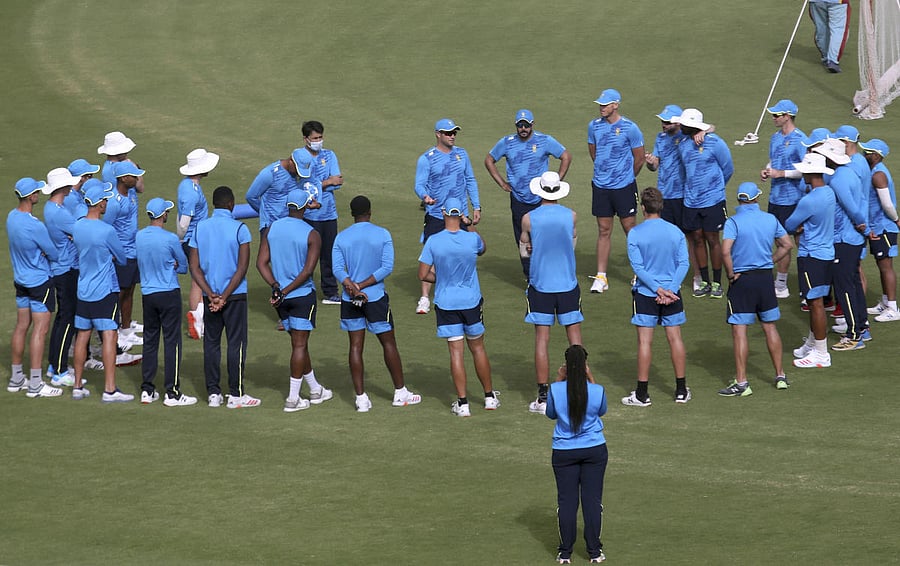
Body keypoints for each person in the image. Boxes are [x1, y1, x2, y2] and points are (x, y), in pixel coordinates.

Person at [332, 195, 421, 412]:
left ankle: (361, 399)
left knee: (355, 346)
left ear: (352, 214)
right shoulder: (382, 234)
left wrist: (351, 285)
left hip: (350, 298)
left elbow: (337, 269)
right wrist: (362, 285)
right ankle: (400, 392)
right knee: (388, 343)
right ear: (369, 212)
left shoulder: (341, 238)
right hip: (375, 298)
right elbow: (386, 267)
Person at [418, 197, 498, 416]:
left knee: (456, 353)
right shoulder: (471, 240)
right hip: (471, 301)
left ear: (443, 212)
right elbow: (483, 248)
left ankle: (463, 404)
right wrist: (469, 222)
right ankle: (489, 397)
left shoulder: (433, 241)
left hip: (446, 302)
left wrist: (441, 278)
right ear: (460, 213)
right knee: (478, 348)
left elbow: (423, 274)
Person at [256, 188, 334, 412]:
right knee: (299, 345)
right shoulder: (312, 234)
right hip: (300, 296)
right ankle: (292, 399)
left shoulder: (272, 228)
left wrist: (276, 287)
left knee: (299, 344)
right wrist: (286, 290)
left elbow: (261, 263)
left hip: (281, 300)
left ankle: (315, 389)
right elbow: (307, 272)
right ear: (305, 206)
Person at [719, 183, 794, 397]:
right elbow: (787, 245)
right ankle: (780, 375)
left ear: (740, 200)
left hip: (743, 281)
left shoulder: (733, 221)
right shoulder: (770, 219)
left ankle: (742, 382)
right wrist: (770, 260)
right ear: (756, 199)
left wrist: (731, 274)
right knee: (770, 327)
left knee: (739, 330)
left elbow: (725, 251)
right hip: (764, 280)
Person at [188, 186, 259, 409]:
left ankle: (213, 394)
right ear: (231, 204)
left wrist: (211, 294)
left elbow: (194, 266)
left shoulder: (200, 228)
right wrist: (225, 296)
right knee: (236, 343)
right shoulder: (240, 228)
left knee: (211, 343)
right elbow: (242, 267)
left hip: (211, 296)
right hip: (234, 296)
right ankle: (236, 394)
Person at [519, 172, 582, 415]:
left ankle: (543, 395)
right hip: (567, 283)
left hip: (541, 285)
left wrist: (534, 247)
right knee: (575, 338)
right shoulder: (571, 216)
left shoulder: (529, 219)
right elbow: (572, 243)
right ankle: (580, 387)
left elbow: (524, 252)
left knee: (542, 340)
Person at [623, 187, 690, 406]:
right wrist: (670, 289)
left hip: (645, 294)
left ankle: (642, 394)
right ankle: (681, 391)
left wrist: (657, 289)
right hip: (673, 295)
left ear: (643, 208)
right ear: (661, 207)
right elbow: (684, 264)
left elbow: (638, 267)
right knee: (675, 339)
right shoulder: (675, 232)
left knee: (644, 342)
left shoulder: (635, 233)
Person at [485, 109, 571, 276]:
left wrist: (557, 180)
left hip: (541, 200)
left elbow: (566, 156)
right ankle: (530, 275)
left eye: (526, 125)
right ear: (516, 126)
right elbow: (489, 160)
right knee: (523, 240)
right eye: (520, 125)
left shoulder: (544, 140)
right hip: (518, 199)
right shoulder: (507, 142)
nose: (523, 128)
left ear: (532, 125)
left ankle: (545, 270)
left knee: (543, 236)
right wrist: (502, 183)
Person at [70, 179, 135, 402]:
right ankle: (109, 389)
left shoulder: (77, 226)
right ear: (99, 204)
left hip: (83, 290)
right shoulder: (107, 230)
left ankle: (77, 385)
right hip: (105, 291)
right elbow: (123, 257)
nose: (107, 203)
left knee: (82, 337)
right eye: (105, 200)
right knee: (109, 336)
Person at [546, 344, 608, 565]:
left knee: (567, 502)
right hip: (594, 449)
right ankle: (594, 552)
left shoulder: (555, 389)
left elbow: (550, 414)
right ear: (585, 365)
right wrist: (591, 377)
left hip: (563, 452)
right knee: (592, 501)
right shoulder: (597, 390)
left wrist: (558, 378)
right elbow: (601, 410)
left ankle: (565, 553)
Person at [414, 118, 481, 314]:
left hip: (460, 214)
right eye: (448, 133)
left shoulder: (462, 154)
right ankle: (425, 297)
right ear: (438, 134)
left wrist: (476, 206)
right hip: (436, 214)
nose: (452, 136)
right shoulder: (427, 158)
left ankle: (462, 288)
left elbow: (470, 180)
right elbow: (419, 184)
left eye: (454, 133)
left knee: (464, 251)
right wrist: (424, 196)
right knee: (431, 254)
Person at [136, 198, 197, 406]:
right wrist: (173, 265)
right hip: (169, 293)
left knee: (150, 341)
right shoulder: (170, 238)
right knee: (172, 342)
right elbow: (183, 266)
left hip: (148, 294)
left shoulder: (140, 236)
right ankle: (172, 392)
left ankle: (147, 389)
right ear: (163, 215)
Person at [6, 177, 63, 399]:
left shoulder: (12, 217)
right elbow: (54, 253)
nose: (39, 194)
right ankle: (36, 384)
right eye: (37, 191)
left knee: (21, 327)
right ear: (31, 196)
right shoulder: (35, 225)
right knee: (40, 331)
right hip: (40, 282)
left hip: (20, 281)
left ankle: (17, 377)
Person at [587, 88, 645, 293]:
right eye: (600, 105)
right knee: (603, 230)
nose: (602, 108)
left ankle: (640, 273)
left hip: (624, 187)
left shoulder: (630, 128)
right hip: (601, 187)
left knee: (630, 230)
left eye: (605, 104)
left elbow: (639, 158)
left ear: (616, 105)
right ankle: (601, 277)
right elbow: (594, 151)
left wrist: (627, 178)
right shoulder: (593, 126)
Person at [815, 138, 870, 350]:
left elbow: (851, 208)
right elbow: (862, 202)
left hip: (844, 239)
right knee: (854, 284)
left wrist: (861, 224)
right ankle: (862, 326)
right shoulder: (849, 173)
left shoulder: (838, 179)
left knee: (844, 287)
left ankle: (854, 335)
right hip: (851, 239)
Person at [673, 108, 734, 299]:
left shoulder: (715, 143)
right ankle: (705, 281)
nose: (680, 126)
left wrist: (716, 189)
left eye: (684, 124)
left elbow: (728, 168)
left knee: (713, 239)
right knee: (697, 239)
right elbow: (685, 172)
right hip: (691, 201)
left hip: (713, 201)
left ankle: (717, 282)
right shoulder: (683, 145)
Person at [786, 153, 837, 368]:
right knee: (816, 302)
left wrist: (799, 227)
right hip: (825, 254)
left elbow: (789, 224)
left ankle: (821, 353)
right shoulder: (829, 193)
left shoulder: (809, 200)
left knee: (815, 304)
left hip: (811, 256)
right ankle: (812, 342)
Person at [645, 104, 703, 292]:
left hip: (683, 196)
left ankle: (697, 277)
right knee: (665, 237)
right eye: (662, 120)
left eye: (667, 122)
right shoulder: (660, 138)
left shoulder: (687, 137)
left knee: (691, 237)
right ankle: (664, 274)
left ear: (678, 122)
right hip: (664, 196)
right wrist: (652, 163)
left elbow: (709, 128)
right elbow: (655, 166)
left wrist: (707, 130)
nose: (663, 124)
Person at [759, 99, 807, 299]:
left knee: (800, 242)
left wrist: (782, 174)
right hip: (775, 197)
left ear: (788, 116)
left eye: (777, 115)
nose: (774, 118)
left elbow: (805, 169)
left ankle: (807, 285)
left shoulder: (801, 139)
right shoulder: (774, 137)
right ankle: (781, 284)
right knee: (780, 241)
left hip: (793, 198)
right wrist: (768, 169)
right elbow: (774, 159)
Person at [42, 167, 84, 386]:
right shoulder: (59, 213)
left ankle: (53, 365)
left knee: (62, 318)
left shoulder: (52, 209)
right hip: (66, 270)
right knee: (68, 318)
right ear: (63, 187)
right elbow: (81, 232)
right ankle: (59, 370)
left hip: (60, 269)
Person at [298, 120, 344, 305]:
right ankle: (302, 289)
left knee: (329, 253)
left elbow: (338, 180)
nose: (318, 141)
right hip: (308, 215)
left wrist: (318, 185)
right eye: (315, 138)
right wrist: (326, 183)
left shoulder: (329, 155)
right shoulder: (299, 157)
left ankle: (330, 292)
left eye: (320, 137)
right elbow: (303, 186)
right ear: (305, 139)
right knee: (307, 254)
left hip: (329, 214)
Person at [177, 148, 219, 340]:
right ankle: (197, 319)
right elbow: (184, 221)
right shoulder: (192, 193)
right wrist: (181, 238)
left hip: (192, 239)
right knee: (198, 280)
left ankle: (198, 318)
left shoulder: (185, 185)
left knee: (199, 279)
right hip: (195, 240)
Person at [104, 160, 146, 350]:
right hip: (120, 254)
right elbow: (105, 229)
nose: (137, 178)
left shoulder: (130, 193)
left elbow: (141, 187)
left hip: (133, 250)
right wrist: (112, 252)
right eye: (133, 175)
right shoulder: (113, 202)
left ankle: (126, 330)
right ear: (122, 178)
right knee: (118, 294)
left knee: (129, 291)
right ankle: (113, 333)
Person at [861, 139, 900, 322]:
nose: (865, 154)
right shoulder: (875, 172)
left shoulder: (878, 175)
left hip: (884, 227)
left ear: (877, 156)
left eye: (868, 152)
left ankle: (892, 307)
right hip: (878, 226)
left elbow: (887, 204)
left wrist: (896, 220)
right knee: (881, 264)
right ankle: (885, 302)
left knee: (886, 267)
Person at [246, 147, 315, 235]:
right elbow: (251, 196)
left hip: (293, 226)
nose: (298, 173)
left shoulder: (299, 175)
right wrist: (265, 213)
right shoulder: (269, 173)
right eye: (297, 170)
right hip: (271, 227)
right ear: (291, 161)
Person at [809, 0, 851, 73]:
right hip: (837, 3)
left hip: (816, 2)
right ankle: (832, 60)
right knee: (838, 30)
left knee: (822, 29)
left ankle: (826, 57)